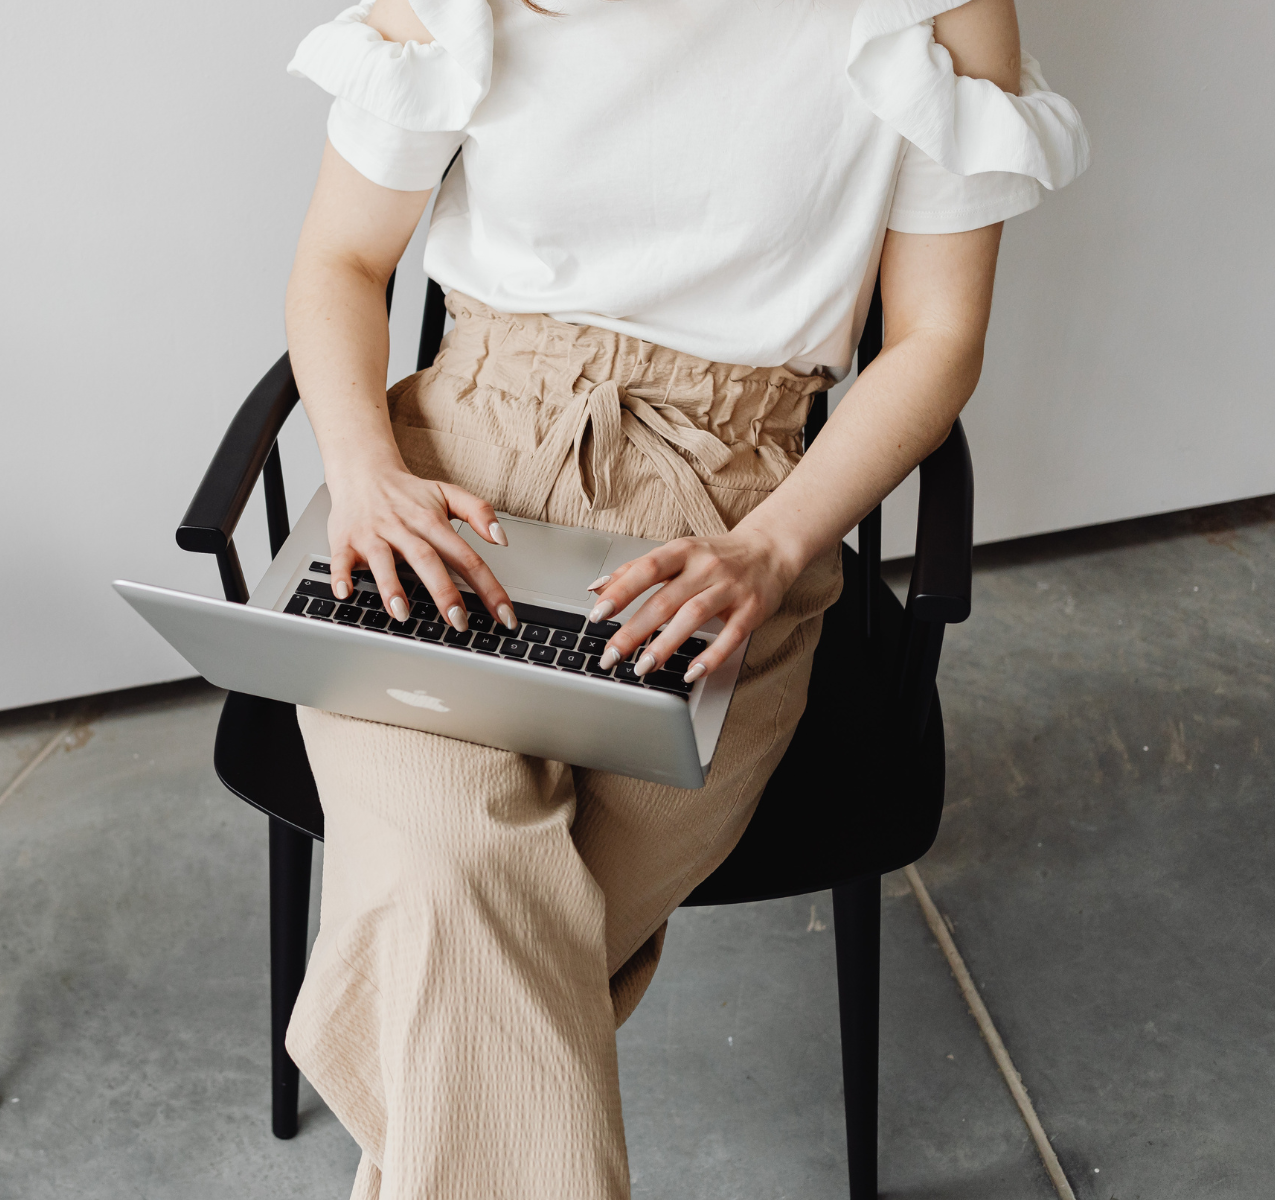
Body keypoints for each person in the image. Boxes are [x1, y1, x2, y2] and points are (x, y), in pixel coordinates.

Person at [278, 0, 1088, 1195]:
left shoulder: (931, 10)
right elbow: (339, 262)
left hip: (727, 521)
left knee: (452, 939)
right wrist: (362, 472)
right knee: (454, 878)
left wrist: (768, 552)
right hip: (455, 483)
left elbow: (934, 338)